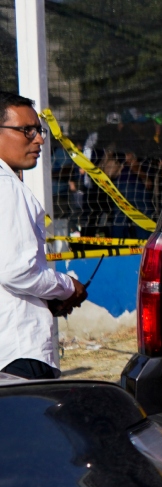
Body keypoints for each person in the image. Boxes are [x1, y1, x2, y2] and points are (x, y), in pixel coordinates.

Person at [0, 91, 87, 380]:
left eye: (39, 130)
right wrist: (67, 287)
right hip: (18, 351)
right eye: (27, 130)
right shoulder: (8, 188)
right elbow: (17, 271)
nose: (39, 139)